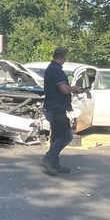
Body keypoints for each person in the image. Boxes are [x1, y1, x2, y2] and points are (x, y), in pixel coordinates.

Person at [41, 46, 82, 175]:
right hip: (57, 109)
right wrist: (73, 88)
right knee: (66, 136)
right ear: (64, 57)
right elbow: (63, 89)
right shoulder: (57, 70)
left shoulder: (50, 68)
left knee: (56, 136)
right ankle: (48, 159)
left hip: (51, 108)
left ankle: (54, 163)